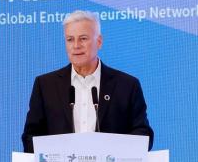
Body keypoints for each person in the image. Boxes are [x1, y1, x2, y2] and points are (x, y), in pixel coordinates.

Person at [22, 10, 153, 152]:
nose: (76, 45)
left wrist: (114, 152)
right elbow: (30, 138)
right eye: (70, 39)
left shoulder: (127, 85)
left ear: (99, 42)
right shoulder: (45, 85)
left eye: (83, 38)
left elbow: (143, 134)